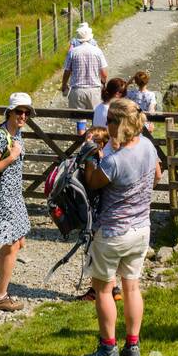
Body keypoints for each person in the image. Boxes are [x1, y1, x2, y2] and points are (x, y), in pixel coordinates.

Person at [82, 99, 161, 356]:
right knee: (132, 287)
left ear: (118, 124)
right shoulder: (149, 146)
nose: (107, 125)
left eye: (110, 121)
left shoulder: (115, 162)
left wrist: (91, 157)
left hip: (113, 231)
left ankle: (108, 348)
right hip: (141, 229)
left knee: (104, 290)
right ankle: (133, 347)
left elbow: (93, 183)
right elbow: (158, 175)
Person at [0, 93, 33, 312]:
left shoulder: (16, 133)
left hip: (14, 196)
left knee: (17, 242)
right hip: (2, 198)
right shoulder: (1, 137)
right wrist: (11, 157)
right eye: (19, 111)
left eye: (27, 112)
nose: (23, 116)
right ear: (9, 112)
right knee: (12, 245)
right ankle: (0, 297)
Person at [73, 124, 122, 306]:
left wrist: (88, 153)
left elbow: (90, 182)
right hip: (103, 209)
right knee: (100, 251)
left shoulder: (95, 158)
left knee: (94, 250)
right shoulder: (105, 156)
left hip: (97, 211)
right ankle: (114, 288)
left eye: (92, 140)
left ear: (100, 143)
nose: (87, 142)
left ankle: (96, 290)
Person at [62, 23, 108, 114]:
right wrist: (103, 82)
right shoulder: (97, 51)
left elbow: (67, 71)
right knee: (95, 118)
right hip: (94, 90)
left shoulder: (73, 52)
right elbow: (104, 74)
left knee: (80, 120)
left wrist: (64, 84)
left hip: (77, 90)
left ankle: (81, 129)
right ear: (90, 37)